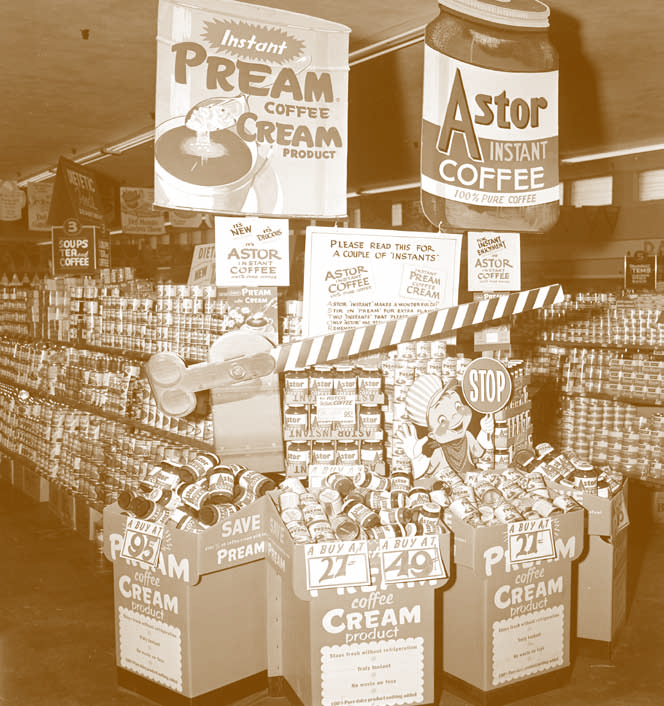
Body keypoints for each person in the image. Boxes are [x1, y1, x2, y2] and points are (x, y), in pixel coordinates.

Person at [396, 373, 493, 480]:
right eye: (442, 420)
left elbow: (484, 456)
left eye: (457, 406)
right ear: (432, 435)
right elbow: (423, 479)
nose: (456, 415)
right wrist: (417, 459)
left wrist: (485, 432)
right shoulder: (438, 453)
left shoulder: (468, 437)